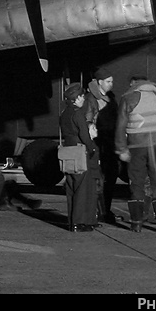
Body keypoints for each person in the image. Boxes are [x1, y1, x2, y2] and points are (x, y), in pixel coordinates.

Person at [115, 74, 156, 233]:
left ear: (134, 84)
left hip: (137, 145)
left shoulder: (128, 97)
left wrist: (121, 148)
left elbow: (121, 125)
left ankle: (136, 223)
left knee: (137, 182)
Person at [60, 82, 98, 231]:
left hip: (68, 151)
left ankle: (72, 221)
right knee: (82, 188)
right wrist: (92, 147)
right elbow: (83, 134)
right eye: (81, 96)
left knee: (71, 187)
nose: (83, 99)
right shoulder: (78, 113)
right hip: (80, 151)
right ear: (75, 99)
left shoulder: (64, 114)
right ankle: (79, 222)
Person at [85, 67, 119, 224]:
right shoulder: (91, 99)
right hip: (99, 144)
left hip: (110, 143)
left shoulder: (111, 98)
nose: (111, 84)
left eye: (112, 81)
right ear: (99, 82)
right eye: (108, 81)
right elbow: (88, 121)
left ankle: (106, 210)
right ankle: (98, 211)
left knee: (110, 178)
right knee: (98, 179)